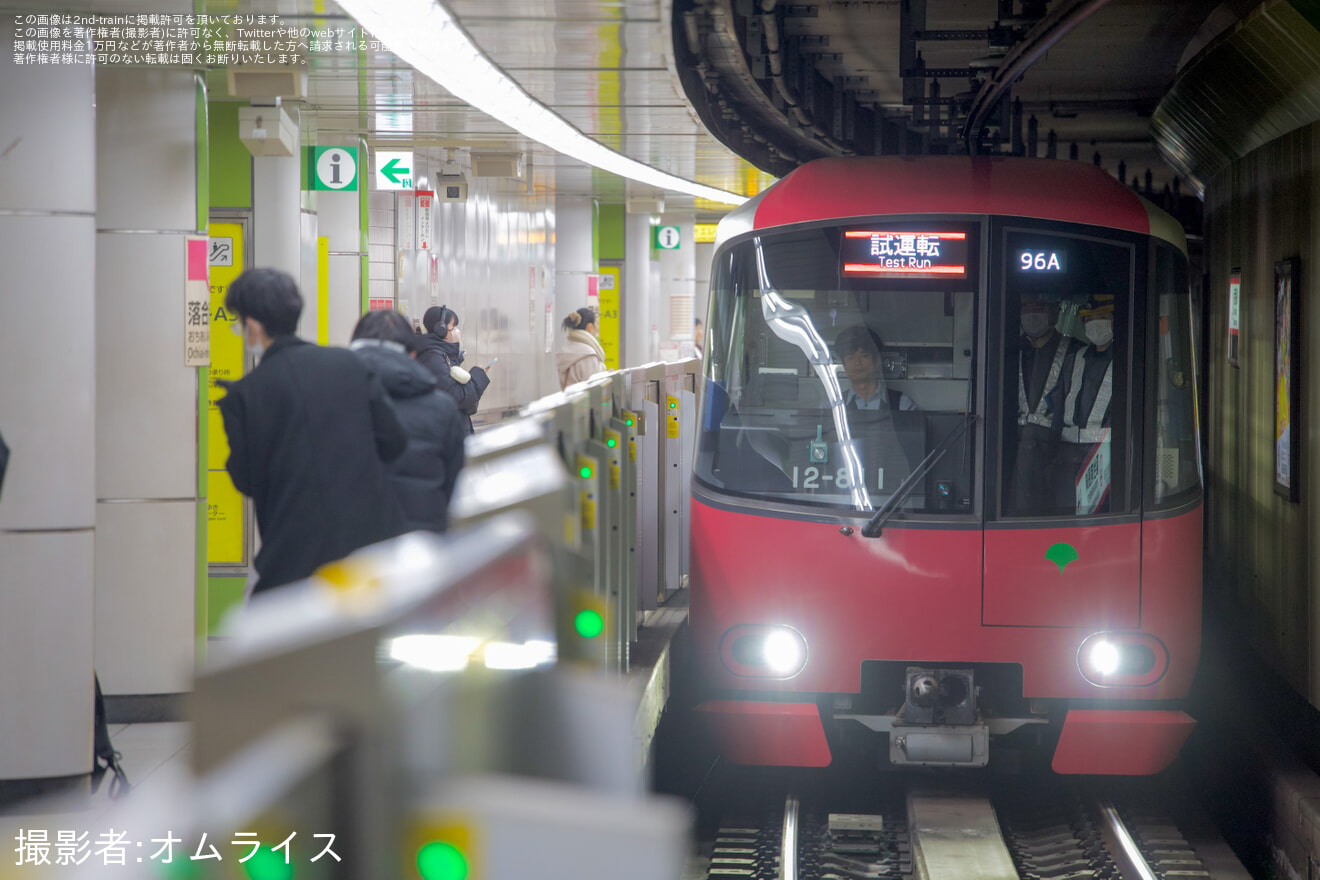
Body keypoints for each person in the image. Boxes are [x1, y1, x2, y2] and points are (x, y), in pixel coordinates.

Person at [218, 268, 407, 597]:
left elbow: (246, 479)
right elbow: (394, 441)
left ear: (253, 325)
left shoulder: (245, 395)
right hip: (370, 554)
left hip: (292, 562)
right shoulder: (350, 365)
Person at [349, 310, 467, 532]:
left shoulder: (334, 402)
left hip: (356, 555)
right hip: (423, 547)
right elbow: (454, 489)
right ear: (412, 354)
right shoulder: (442, 409)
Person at [1006, 295, 1078, 515]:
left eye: (1039, 307)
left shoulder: (1077, 352)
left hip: (1059, 452)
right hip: (1014, 450)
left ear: (1055, 313)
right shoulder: (1006, 350)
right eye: (1026, 307)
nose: (1032, 314)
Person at [1056, 294, 1116, 514]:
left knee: (1100, 511)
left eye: (1102, 316)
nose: (1095, 323)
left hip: (1106, 452)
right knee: (1068, 510)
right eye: (1089, 318)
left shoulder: (1128, 357)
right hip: (1068, 450)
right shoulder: (1075, 357)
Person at [416, 305, 490, 434]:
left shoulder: (441, 355)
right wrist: (478, 377)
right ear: (441, 331)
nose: (457, 331)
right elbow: (458, 397)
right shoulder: (433, 358)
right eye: (453, 327)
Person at [834, 325, 916, 412]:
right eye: (850, 357)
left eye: (864, 356)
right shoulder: (833, 405)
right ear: (844, 365)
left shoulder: (902, 404)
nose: (857, 363)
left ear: (877, 360)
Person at [558, 306, 607, 389]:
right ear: (590, 327)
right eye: (596, 326)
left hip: (568, 399)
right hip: (583, 401)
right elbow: (593, 387)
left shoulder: (565, 349)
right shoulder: (588, 354)